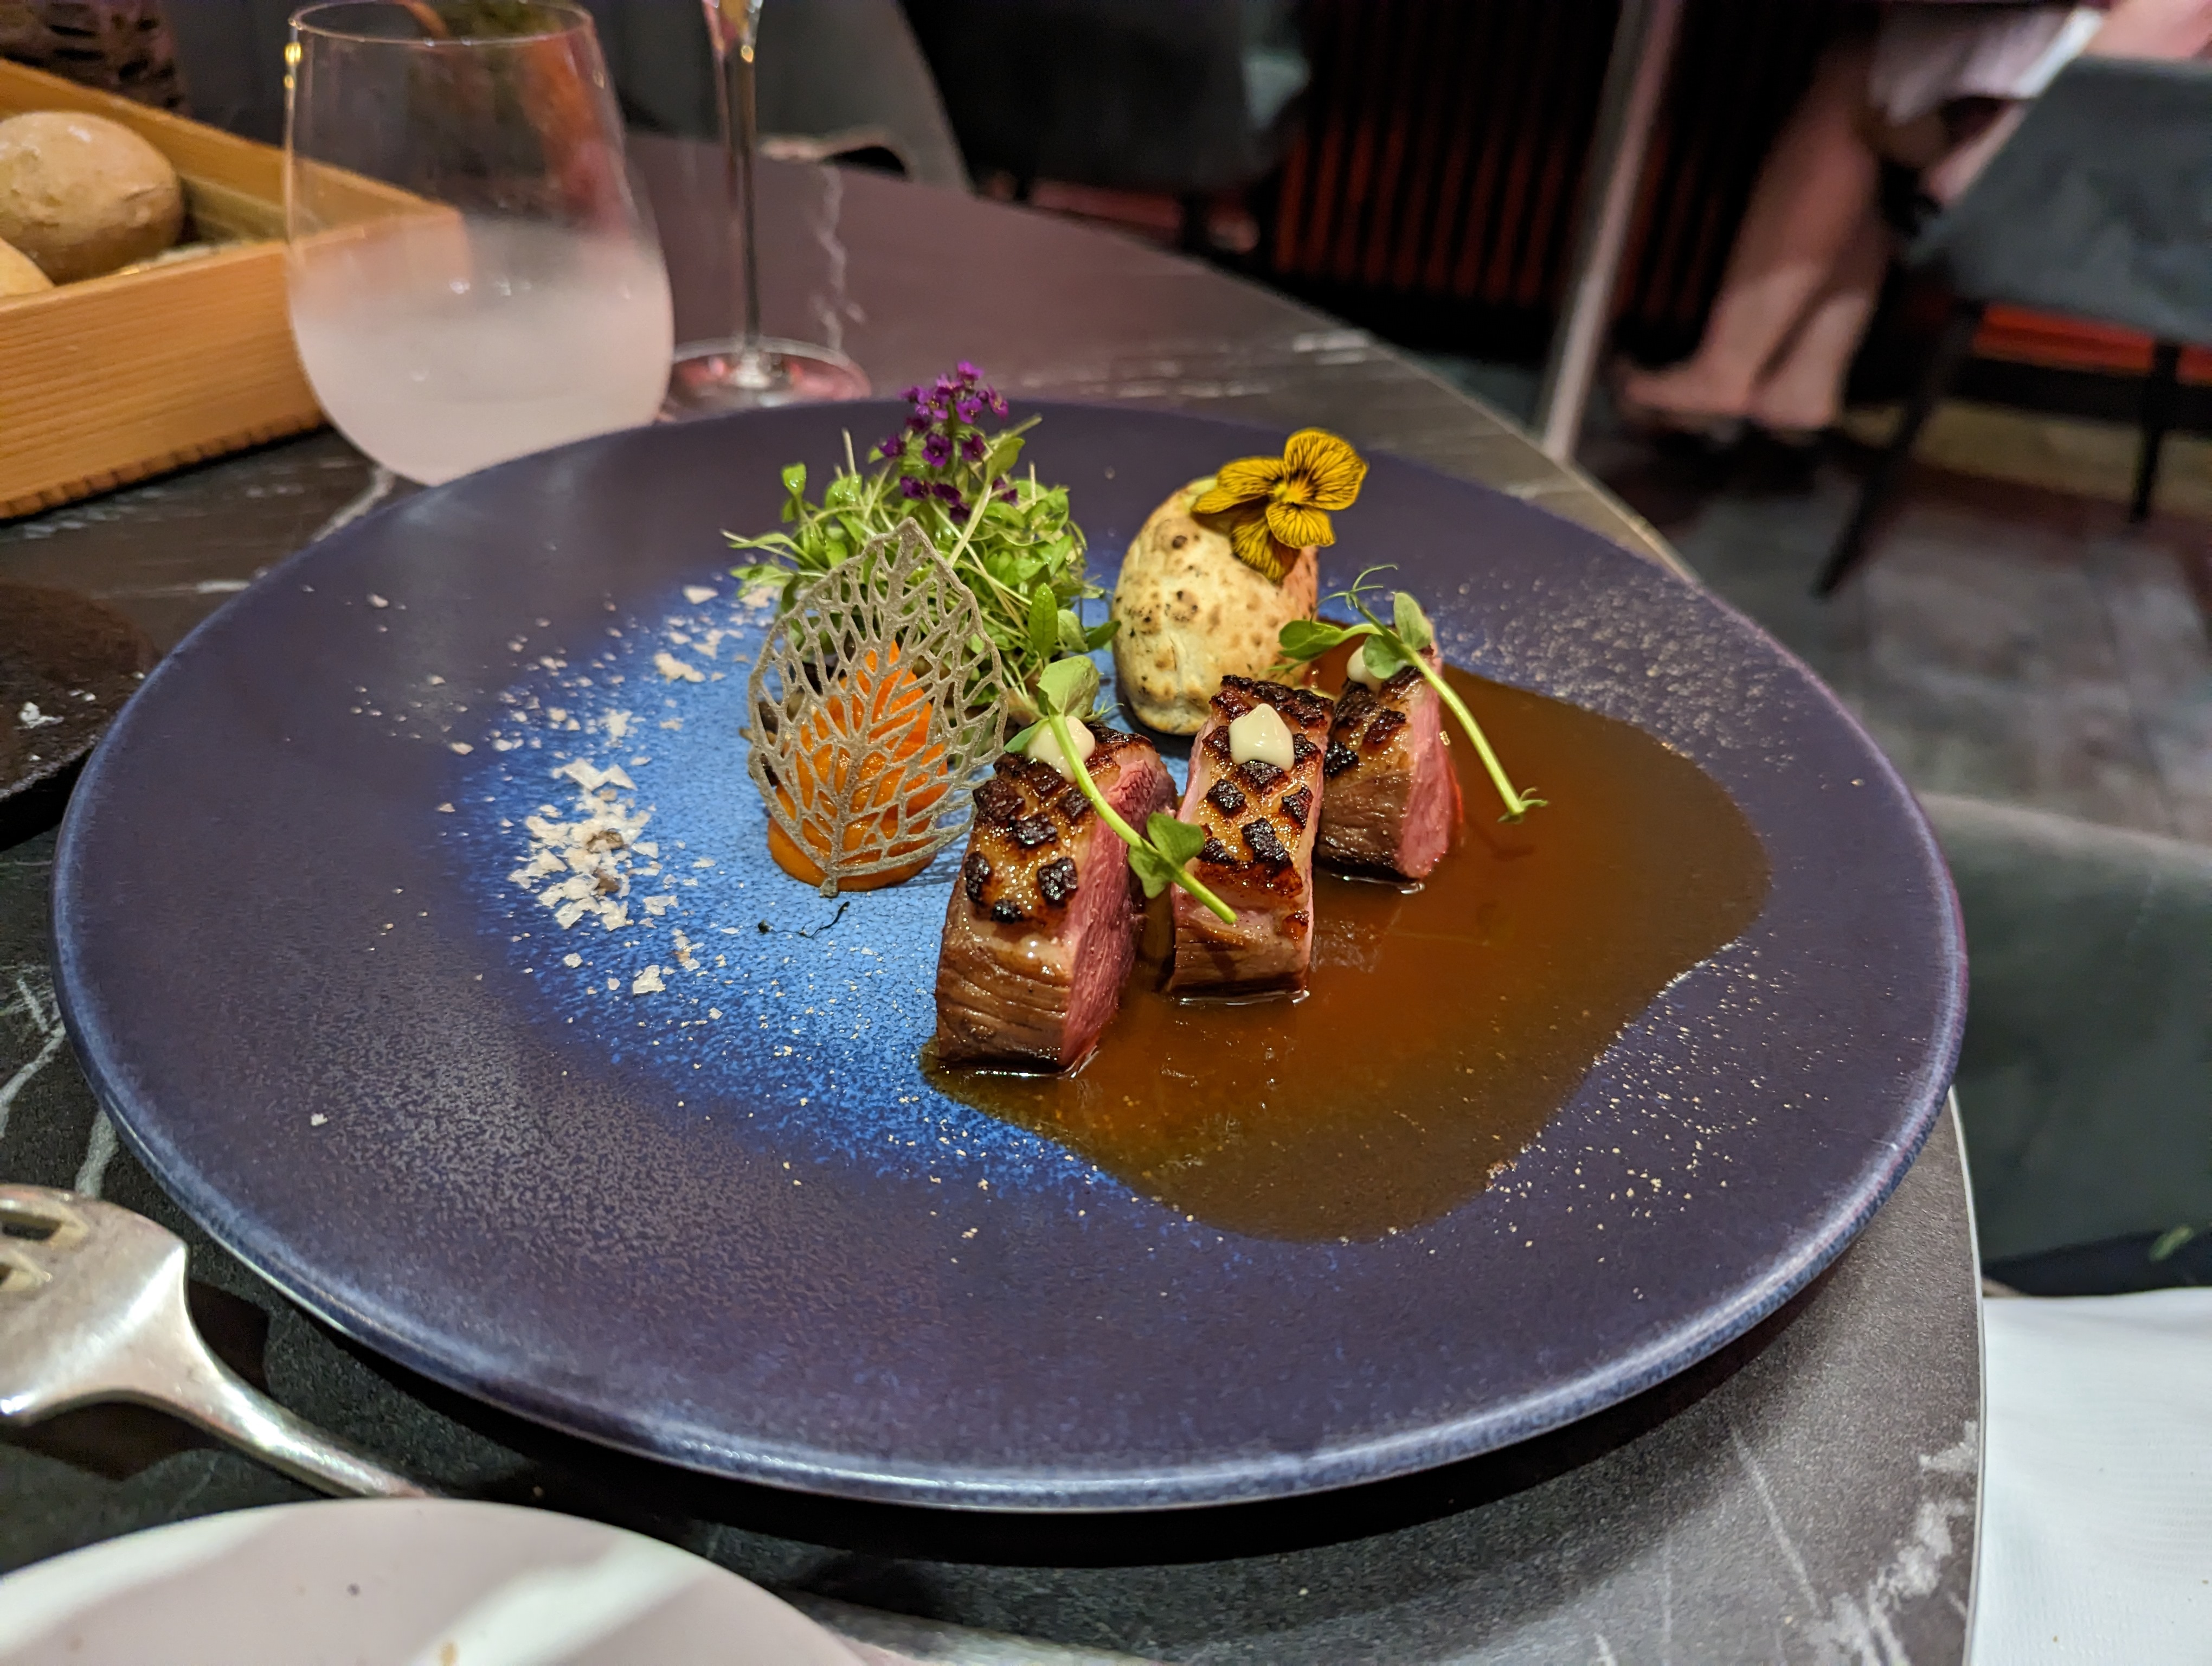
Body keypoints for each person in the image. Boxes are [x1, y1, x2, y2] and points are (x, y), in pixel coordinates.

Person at [1616, 0, 2212, 444]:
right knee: (1891, 85)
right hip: (2172, 192)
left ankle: (1723, 375)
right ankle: (1800, 390)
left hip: (2109, 191)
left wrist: (2006, 148)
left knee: (1860, 80)